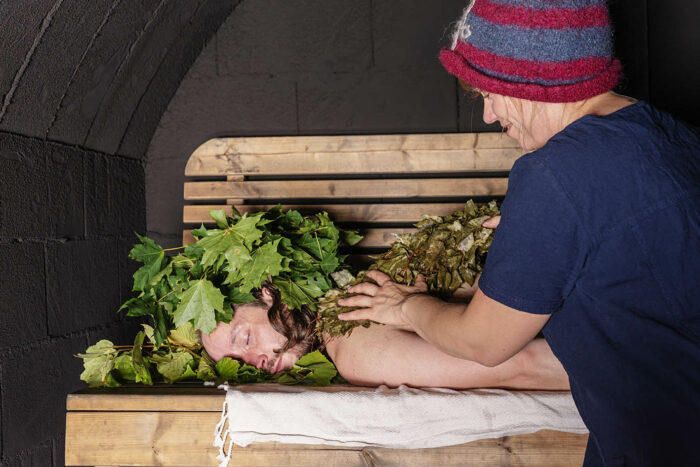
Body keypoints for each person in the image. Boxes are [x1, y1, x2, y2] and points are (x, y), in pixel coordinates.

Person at [335, 1, 700, 465]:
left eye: (488, 92)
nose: (487, 114)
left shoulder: (554, 173)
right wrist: (545, 232)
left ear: (529, 80)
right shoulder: (672, 135)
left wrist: (406, 306)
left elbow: (482, 343)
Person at [201, 280, 570, 390]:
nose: (256, 364)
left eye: (245, 341)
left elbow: (522, 365)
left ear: (268, 294)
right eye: (240, 366)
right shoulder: (355, 305)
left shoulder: (356, 353)